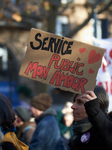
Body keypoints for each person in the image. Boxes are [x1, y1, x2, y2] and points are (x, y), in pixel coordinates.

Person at [68, 85, 112, 150]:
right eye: (74, 101)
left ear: (96, 106)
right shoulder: (78, 130)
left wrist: (95, 113)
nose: (73, 106)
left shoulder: (103, 135)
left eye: (80, 102)